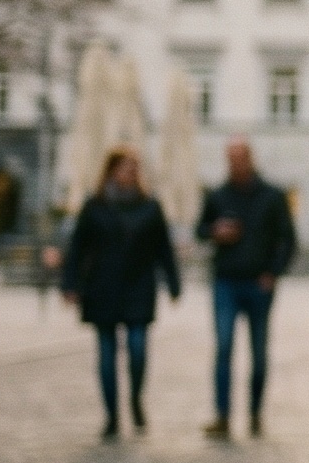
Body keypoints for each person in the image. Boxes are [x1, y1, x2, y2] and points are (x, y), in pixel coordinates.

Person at [61, 148, 182, 437]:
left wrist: (173, 282)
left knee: (138, 350)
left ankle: (136, 399)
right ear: (112, 170)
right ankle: (112, 415)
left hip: (139, 286)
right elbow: (77, 248)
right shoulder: (95, 206)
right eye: (126, 167)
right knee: (106, 354)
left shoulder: (150, 206)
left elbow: (163, 248)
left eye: (134, 168)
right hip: (102, 286)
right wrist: (69, 284)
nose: (131, 172)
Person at [196, 139, 295, 437]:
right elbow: (201, 229)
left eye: (240, 157)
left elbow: (288, 239)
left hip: (258, 283)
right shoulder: (218, 195)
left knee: (259, 352)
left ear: (250, 159)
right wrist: (215, 231)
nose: (236, 163)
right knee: (224, 347)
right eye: (231, 158)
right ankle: (222, 416)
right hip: (226, 281)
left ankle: (255, 413)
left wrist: (273, 273)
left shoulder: (272, 196)